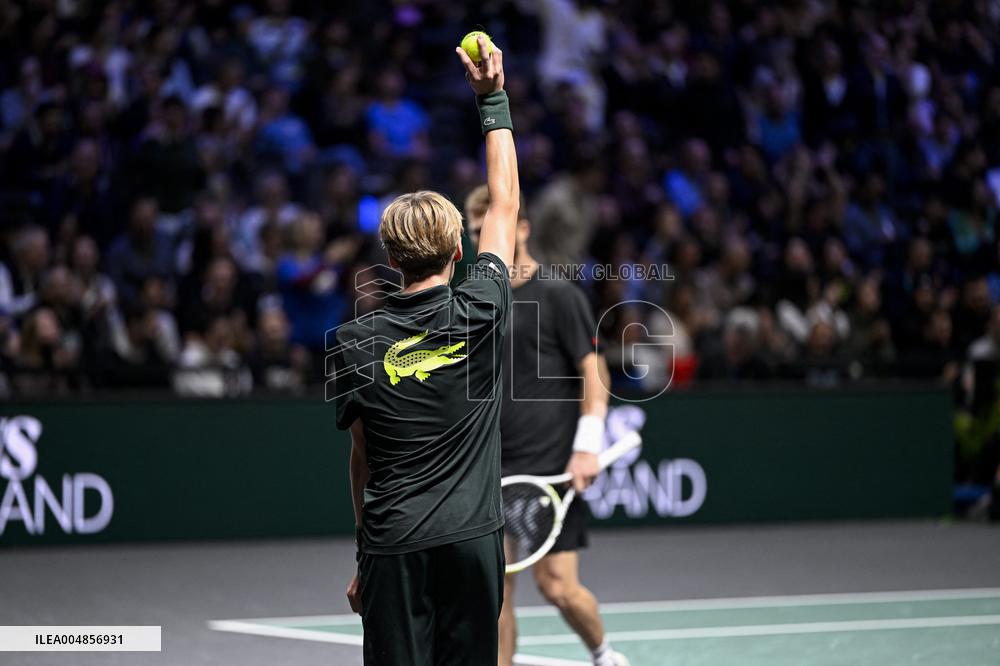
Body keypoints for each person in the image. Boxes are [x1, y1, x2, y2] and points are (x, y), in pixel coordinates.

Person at [330, 38, 518, 665]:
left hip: (394, 546)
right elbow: (505, 201)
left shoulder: (351, 344)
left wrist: (365, 555)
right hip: (473, 545)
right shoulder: (483, 307)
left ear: (389, 261)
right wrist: (492, 100)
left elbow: (362, 462)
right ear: (459, 254)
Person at [465, 186, 628, 666]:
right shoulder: (476, 300)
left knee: (556, 585)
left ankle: (603, 655)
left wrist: (587, 445)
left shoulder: (559, 295)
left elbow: (594, 373)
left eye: (492, 226)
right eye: (476, 233)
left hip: (549, 465)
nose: (484, 239)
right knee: (493, 591)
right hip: (490, 464)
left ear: (521, 228)